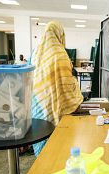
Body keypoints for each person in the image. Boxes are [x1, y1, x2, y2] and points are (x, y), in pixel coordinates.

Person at [31, 21, 84, 156]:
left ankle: (41, 165)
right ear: (60, 34)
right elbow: (67, 86)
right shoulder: (61, 55)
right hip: (58, 106)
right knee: (57, 149)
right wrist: (77, 98)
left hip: (39, 104)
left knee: (42, 137)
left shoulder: (35, 53)